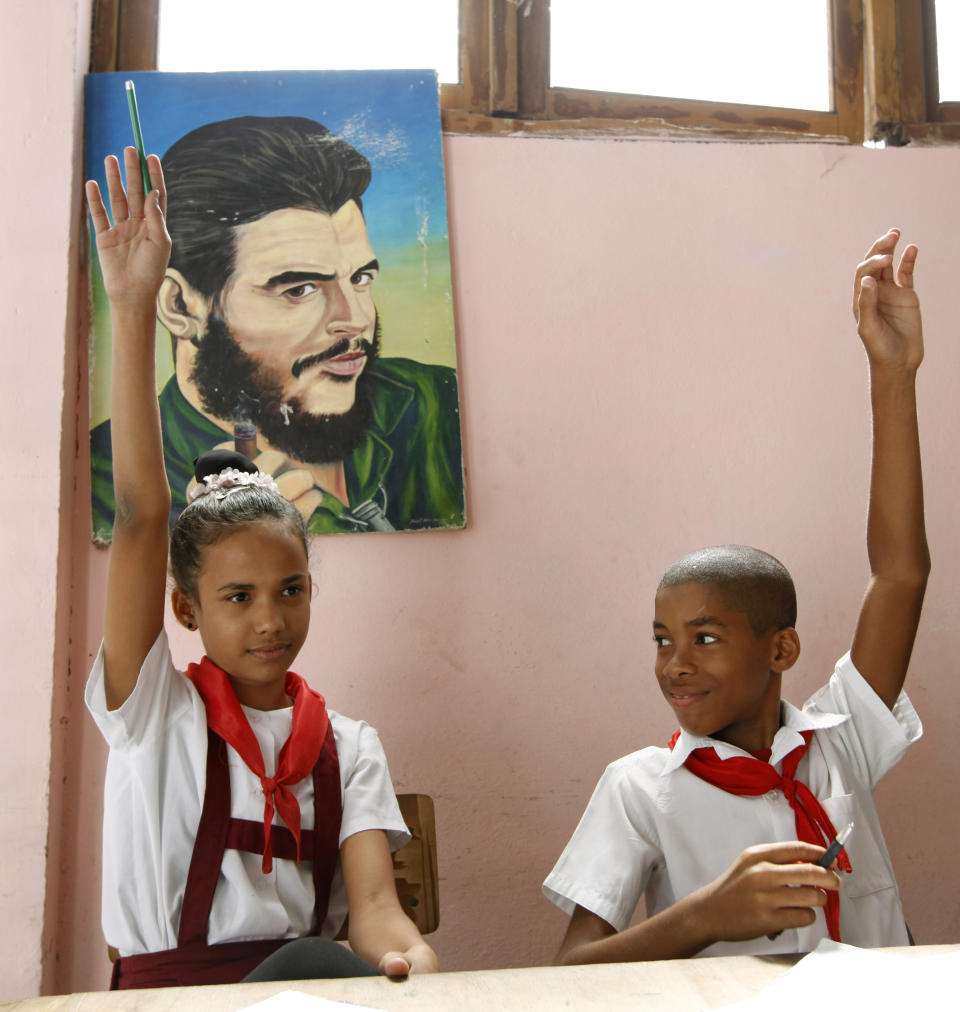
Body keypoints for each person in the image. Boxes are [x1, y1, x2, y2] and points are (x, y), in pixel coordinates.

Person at [83, 147, 439, 988]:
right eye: (237, 597)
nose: (270, 619)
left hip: (304, 995)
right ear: (185, 608)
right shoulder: (152, 713)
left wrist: (408, 958)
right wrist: (131, 305)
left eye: (290, 590)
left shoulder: (348, 747)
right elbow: (140, 518)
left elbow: (376, 907)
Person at [543, 229, 929, 962]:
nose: (675, 664)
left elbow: (901, 574)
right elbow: (569, 974)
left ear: (781, 647)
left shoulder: (837, 741)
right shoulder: (639, 789)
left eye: (706, 637)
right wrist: (704, 917)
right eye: (662, 639)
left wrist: (895, 372)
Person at [89, 115, 465, 538]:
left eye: (359, 279)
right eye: (300, 289)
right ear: (180, 306)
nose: (354, 319)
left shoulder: (435, 402)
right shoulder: (105, 484)